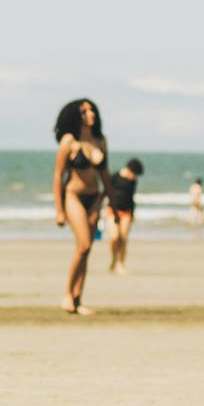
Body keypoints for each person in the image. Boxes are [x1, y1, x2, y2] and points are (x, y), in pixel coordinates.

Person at [52, 98, 112, 315]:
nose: (90, 114)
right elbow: (58, 175)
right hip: (73, 196)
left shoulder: (99, 140)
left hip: (94, 197)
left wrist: (111, 200)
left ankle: (77, 299)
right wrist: (59, 210)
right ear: (76, 115)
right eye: (85, 111)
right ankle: (68, 295)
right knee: (84, 244)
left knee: (87, 251)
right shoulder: (69, 141)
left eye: (91, 110)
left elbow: (104, 174)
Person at [106, 158, 143, 275]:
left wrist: (132, 214)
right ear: (130, 170)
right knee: (114, 237)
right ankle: (113, 259)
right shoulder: (115, 177)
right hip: (112, 210)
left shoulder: (133, 182)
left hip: (126, 212)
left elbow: (132, 198)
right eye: (135, 174)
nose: (135, 177)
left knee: (123, 238)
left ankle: (120, 264)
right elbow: (105, 192)